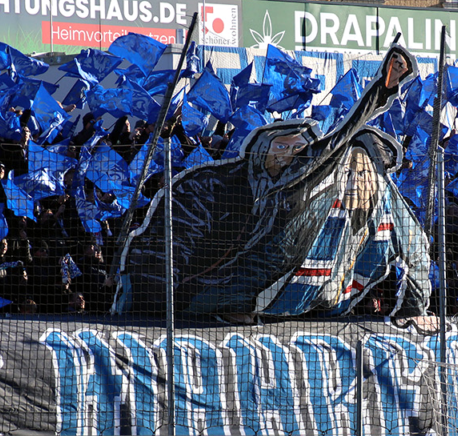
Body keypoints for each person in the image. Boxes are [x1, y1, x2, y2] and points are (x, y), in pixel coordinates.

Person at [117, 45, 430, 319]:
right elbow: (160, 250)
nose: (290, 155)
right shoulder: (213, 184)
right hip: (237, 276)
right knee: (213, 296)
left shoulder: (311, 177)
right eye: (281, 146)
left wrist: (383, 91)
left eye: (298, 149)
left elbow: (344, 135)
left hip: (287, 279)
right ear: (260, 150)